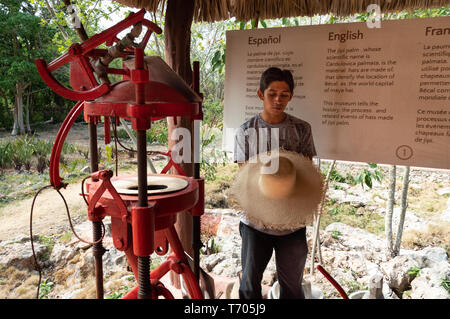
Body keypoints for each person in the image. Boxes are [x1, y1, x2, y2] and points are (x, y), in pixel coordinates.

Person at [233, 67, 317, 299]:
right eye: (272, 94)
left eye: (284, 94)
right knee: (249, 286)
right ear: (261, 94)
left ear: (291, 96)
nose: (278, 100)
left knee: (292, 287)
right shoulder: (245, 132)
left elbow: (306, 170)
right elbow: (245, 178)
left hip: (292, 221)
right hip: (255, 222)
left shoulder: (302, 129)